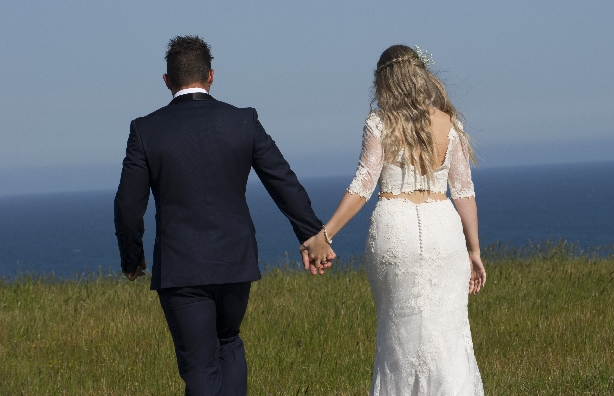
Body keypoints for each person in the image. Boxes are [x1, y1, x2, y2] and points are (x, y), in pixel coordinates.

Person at [114, 36, 334, 396]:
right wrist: (311, 233)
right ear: (211, 76)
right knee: (229, 343)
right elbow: (282, 180)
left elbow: (127, 203)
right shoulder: (243, 121)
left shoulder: (145, 130)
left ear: (167, 81)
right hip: (235, 261)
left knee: (200, 365)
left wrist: (131, 258)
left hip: (181, 266)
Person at [302, 44, 487, 395]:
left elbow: (363, 184)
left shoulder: (379, 123)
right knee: (448, 336)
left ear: (383, 81)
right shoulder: (451, 122)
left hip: (394, 229)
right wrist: (474, 251)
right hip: (443, 231)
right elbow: (464, 192)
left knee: (397, 336)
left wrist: (324, 235)